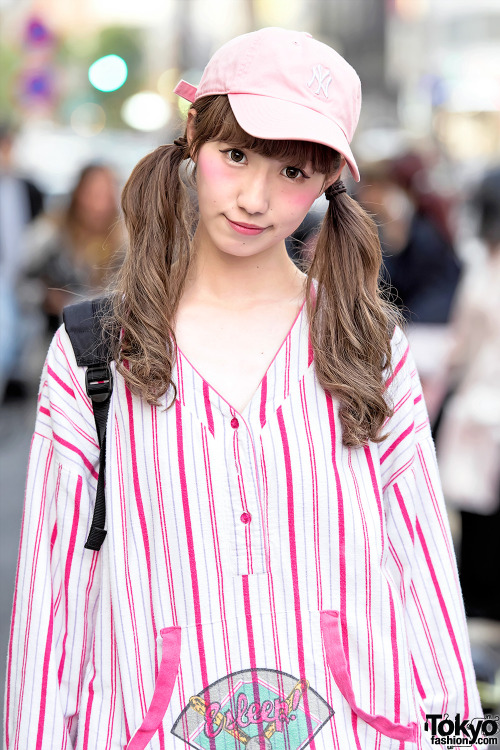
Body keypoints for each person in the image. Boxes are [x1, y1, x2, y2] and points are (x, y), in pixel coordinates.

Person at [5, 28, 481, 750]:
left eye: (293, 172)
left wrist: (462, 740)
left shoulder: (367, 346)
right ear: (194, 134)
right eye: (236, 156)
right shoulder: (97, 351)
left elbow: (426, 580)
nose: (257, 198)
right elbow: (51, 604)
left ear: (328, 182)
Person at [437, 166, 500, 623]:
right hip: (482, 410)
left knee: (479, 528)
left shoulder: (484, 267)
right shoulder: (482, 263)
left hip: (481, 405)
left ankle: (478, 610)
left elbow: (460, 347)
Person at [26, 162, 123, 332]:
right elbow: (22, 282)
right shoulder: (50, 233)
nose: (98, 206)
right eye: (92, 195)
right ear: (78, 193)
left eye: (105, 196)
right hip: (53, 333)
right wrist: (46, 297)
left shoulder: (125, 240)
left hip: (105, 340)